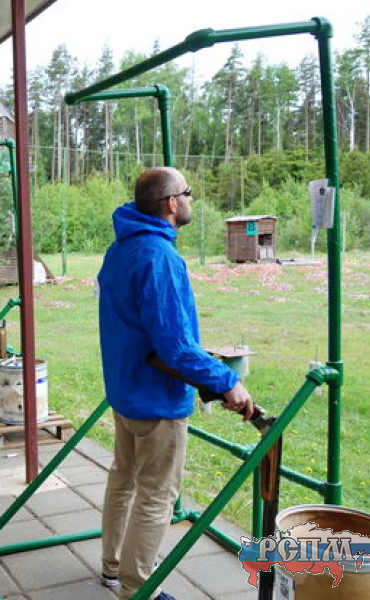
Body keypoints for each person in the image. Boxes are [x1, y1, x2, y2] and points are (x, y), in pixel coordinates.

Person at [97, 167, 255, 599]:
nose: (190, 200)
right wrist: (227, 381)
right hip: (155, 400)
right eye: (188, 193)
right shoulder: (160, 257)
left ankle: (113, 568)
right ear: (171, 203)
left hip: (127, 392)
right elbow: (175, 346)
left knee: (123, 482)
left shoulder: (121, 249)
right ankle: (138, 588)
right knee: (155, 496)